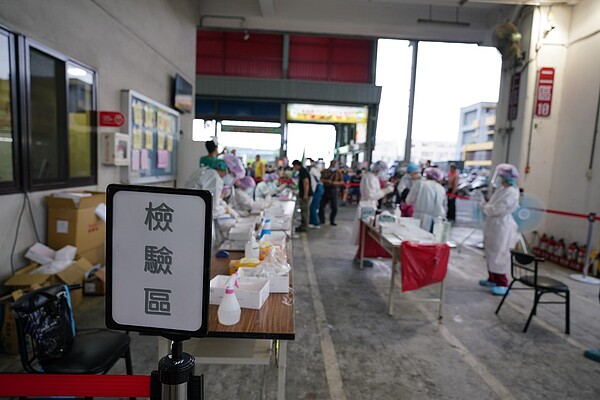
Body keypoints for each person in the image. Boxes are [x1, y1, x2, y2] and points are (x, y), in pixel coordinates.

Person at [479, 163, 520, 296]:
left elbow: (497, 209)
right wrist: (486, 206)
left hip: (502, 226)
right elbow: (492, 205)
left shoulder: (511, 192)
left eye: (501, 176)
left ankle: (503, 283)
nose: (498, 179)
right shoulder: (502, 190)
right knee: (490, 252)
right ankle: (492, 278)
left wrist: (485, 208)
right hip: (493, 224)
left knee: (499, 253)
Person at [351, 161, 394, 248]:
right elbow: (371, 195)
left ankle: (362, 254)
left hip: (369, 205)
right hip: (367, 206)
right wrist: (386, 191)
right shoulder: (370, 178)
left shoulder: (372, 177)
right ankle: (360, 255)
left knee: (366, 233)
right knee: (365, 232)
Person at [406, 167, 447, 232]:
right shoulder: (441, 188)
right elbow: (444, 206)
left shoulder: (420, 184)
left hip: (420, 218)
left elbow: (409, 200)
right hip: (437, 221)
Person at [319, 160, 344, 226]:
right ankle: (322, 219)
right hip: (326, 189)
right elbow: (321, 179)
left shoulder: (338, 172)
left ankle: (332, 220)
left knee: (334, 207)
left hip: (334, 190)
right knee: (321, 206)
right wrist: (327, 181)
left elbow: (341, 181)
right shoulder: (325, 171)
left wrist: (335, 183)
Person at [292, 160, 312, 232]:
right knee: (304, 210)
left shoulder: (303, 171)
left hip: (305, 194)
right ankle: (303, 225)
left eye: (294, 166)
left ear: (297, 165)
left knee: (304, 211)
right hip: (303, 193)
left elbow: (306, 183)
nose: (294, 168)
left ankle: (304, 227)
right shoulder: (302, 171)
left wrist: (305, 195)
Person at [308, 159, 323, 229]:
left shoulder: (313, 170)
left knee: (313, 207)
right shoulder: (317, 170)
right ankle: (311, 222)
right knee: (314, 206)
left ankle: (316, 223)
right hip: (319, 189)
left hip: (316, 189)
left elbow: (313, 182)